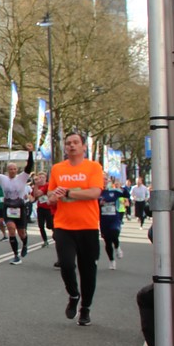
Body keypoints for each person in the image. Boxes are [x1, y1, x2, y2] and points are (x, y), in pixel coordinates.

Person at [46, 131, 106, 326]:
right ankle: (73, 294)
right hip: (63, 225)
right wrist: (55, 196)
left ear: (83, 147)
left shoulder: (93, 167)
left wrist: (69, 193)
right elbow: (51, 196)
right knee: (66, 264)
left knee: (88, 270)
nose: (71, 146)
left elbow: (94, 193)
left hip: (88, 225)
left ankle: (85, 308)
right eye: (68, 143)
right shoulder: (57, 169)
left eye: (75, 142)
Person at [0, 144, 36, 264]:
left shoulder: (22, 177)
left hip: (20, 207)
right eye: (10, 169)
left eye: (14, 169)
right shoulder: (2, 178)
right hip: (8, 207)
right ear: (7, 170)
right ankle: (16, 255)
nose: (13, 171)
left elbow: (29, 165)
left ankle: (25, 244)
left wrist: (30, 152)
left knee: (22, 233)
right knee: (11, 228)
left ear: (17, 170)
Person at [99, 176, 126, 270]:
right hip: (104, 220)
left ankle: (117, 247)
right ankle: (111, 260)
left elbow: (126, 195)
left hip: (114, 218)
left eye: (106, 179)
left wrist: (121, 187)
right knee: (107, 241)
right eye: (102, 179)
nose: (104, 181)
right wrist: (99, 204)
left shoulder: (114, 191)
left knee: (114, 233)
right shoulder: (97, 192)